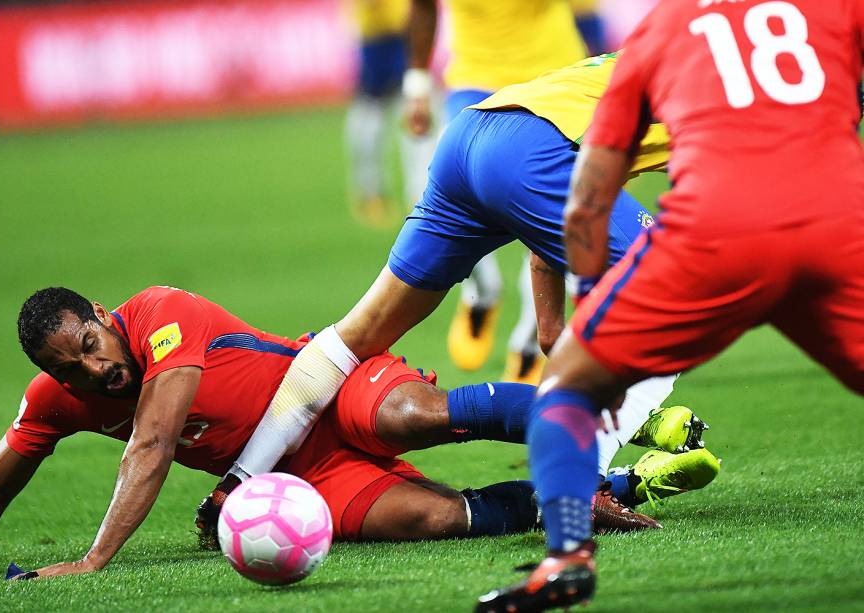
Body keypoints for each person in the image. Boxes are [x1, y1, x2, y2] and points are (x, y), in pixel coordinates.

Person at [478, 0, 864, 610]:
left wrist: (591, 318)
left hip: (714, 234)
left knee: (567, 389)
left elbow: (587, 198)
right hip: (838, 220)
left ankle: (568, 558)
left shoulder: (661, 28)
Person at [222, 52, 720, 517]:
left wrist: (550, 331)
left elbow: (568, 205)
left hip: (471, 137)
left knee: (358, 333)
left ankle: (241, 477)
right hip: (533, 155)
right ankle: (585, 482)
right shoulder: (738, 93)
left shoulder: (653, 61)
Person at [0, 286, 661, 577]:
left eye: (92, 341)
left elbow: (154, 443)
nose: (94, 368)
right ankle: (571, 493)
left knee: (407, 418)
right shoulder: (56, 400)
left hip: (327, 390)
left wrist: (95, 559)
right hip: (302, 474)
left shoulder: (160, 315)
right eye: (70, 369)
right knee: (430, 518)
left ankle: (580, 402)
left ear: (103, 313)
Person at [404, 0, 597, 383]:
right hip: (476, 82)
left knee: (546, 219)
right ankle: (483, 289)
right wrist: (418, 86)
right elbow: (423, 7)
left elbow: (588, 14)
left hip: (556, 79)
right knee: (442, 194)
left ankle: (528, 342)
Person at [343, 0, 435, 228]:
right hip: (377, 34)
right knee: (372, 114)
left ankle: (418, 191)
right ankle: (370, 191)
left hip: (404, 30)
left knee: (411, 112)